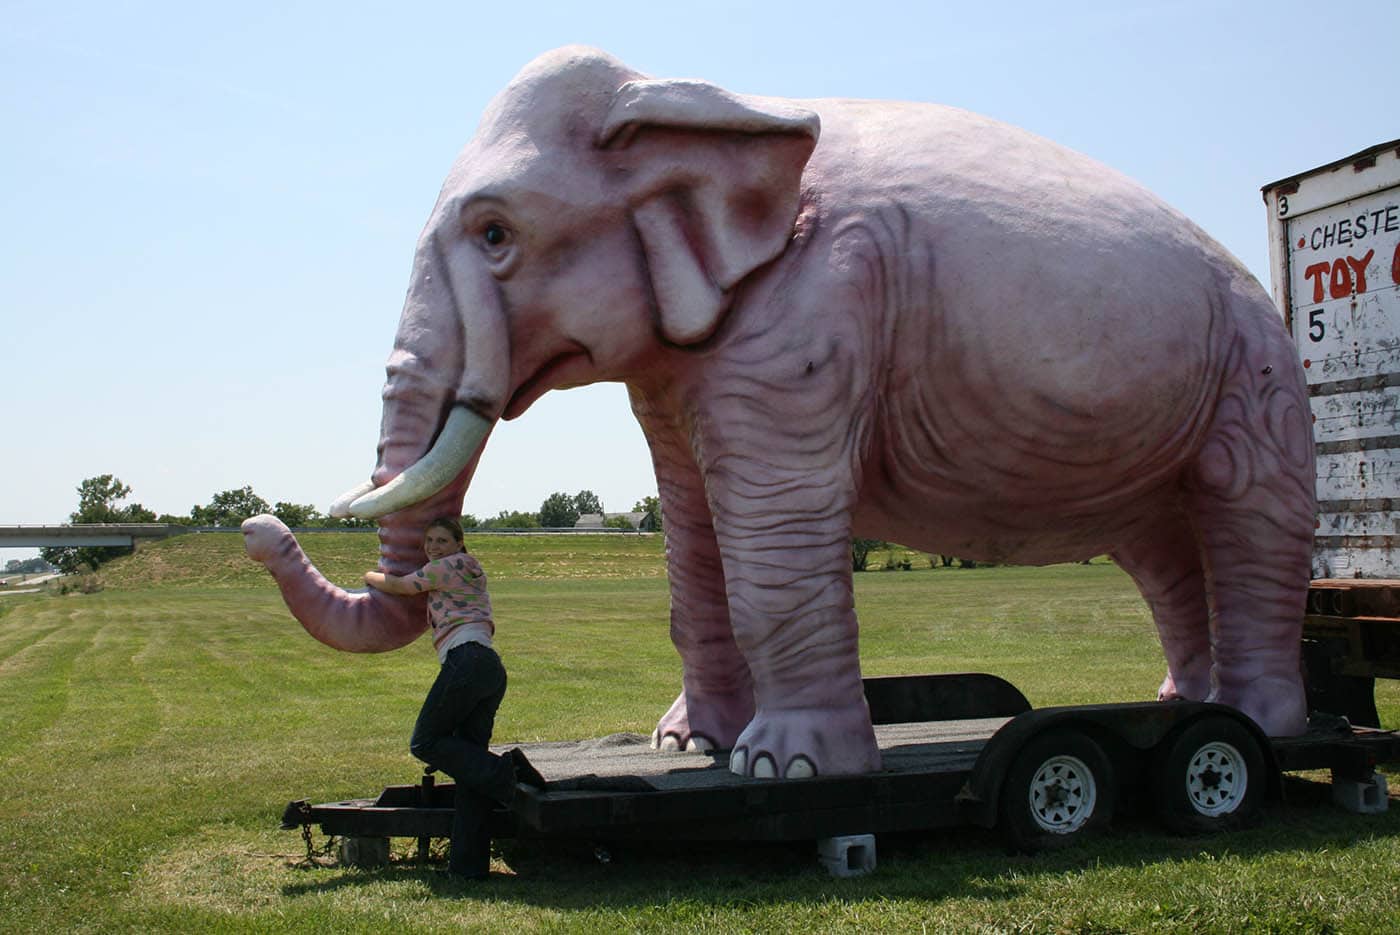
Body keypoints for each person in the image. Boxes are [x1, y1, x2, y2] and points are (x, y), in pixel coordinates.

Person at [364, 516, 545, 880]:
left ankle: (504, 770)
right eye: (429, 541)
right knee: (470, 775)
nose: (433, 547)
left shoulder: (451, 566)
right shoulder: (461, 569)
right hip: (487, 667)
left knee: (425, 741)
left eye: (442, 540)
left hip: (467, 663)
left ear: (459, 543)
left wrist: (367, 577)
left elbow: (400, 586)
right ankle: (467, 868)